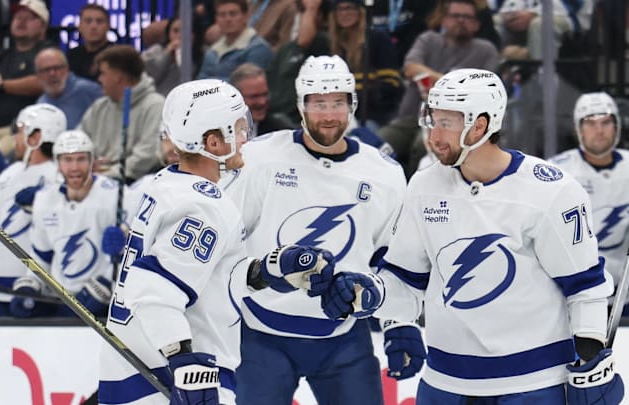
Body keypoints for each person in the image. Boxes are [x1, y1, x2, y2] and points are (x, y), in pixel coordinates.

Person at [319, 68, 625, 404]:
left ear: (480, 126)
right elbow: (406, 284)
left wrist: (591, 358)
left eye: (446, 124)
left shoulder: (550, 190)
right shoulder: (424, 185)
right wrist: (367, 294)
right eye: (431, 120)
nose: (433, 136)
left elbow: (585, 286)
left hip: (532, 384)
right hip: (444, 383)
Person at [97, 78, 333, 404]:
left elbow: (205, 275)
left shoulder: (166, 183)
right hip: (173, 377)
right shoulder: (206, 206)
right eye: (237, 129)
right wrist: (183, 361)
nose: (245, 136)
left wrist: (269, 269)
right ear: (213, 142)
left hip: (137, 370)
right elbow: (155, 291)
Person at [222, 55, 409, 405]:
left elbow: (395, 260)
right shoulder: (258, 158)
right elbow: (225, 242)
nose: (328, 115)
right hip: (261, 334)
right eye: (318, 103)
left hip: (344, 335)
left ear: (352, 104)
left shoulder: (384, 173)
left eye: (338, 103)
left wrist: (399, 323)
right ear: (300, 105)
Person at [549, 92, 629, 316]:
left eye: (606, 122)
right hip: (570, 301)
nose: (599, 130)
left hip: (623, 299)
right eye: (590, 123)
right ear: (578, 128)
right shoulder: (557, 172)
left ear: (617, 126)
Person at [378, 0, 499, 178]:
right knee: (378, 142)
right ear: (444, 20)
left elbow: (485, 90)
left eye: (466, 17)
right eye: (455, 16)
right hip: (410, 117)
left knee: (423, 146)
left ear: (476, 24)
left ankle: (414, 195)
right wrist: (450, 84)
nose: (460, 21)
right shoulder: (428, 39)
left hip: (453, 123)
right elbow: (411, 67)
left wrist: (433, 81)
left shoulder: (486, 50)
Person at [8, 129, 120, 318]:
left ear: (92, 161)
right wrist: (30, 283)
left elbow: (133, 256)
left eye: (81, 159)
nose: (74, 167)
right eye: (67, 160)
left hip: (104, 303)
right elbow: (42, 257)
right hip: (60, 298)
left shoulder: (114, 195)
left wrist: (109, 284)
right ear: (57, 163)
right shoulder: (44, 200)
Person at [0, 104, 65, 316]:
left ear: (36, 135)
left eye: (19, 130)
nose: (15, 138)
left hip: (39, 290)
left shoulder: (59, 176)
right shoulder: (8, 174)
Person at [78, 45, 165, 183]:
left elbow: (147, 155)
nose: (99, 79)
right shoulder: (99, 107)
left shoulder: (155, 106)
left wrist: (108, 175)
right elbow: (78, 141)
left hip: (134, 184)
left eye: (103, 73)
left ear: (118, 77)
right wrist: (84, 166)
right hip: (92, 181)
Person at [0, 0, 53, 156]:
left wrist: (1, 85)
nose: (21, 21)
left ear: (43, 26)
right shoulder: (4, 55)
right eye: (18, 17)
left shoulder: (48, 53)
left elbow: (43, 82)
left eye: (29, 18)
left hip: (19, 131)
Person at [329, 0, 403, 128]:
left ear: (360, 11)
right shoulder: (331, 44)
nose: (344, 13)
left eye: (349, 8)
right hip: (337, 114)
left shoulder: (377, 39)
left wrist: (359, 99)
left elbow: (391, 85)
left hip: (372, 115)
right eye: (340, 9)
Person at [197, 0, 273, 81]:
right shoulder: (212, 52)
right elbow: (201, 83)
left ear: (245, 17)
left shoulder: (258, 48)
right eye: (222, 15)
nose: (228, 19)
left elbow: (248, 84)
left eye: (233, 14)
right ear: (216, 19)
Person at [35, 47, 102, 129]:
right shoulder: (40, 105)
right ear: (38, 75)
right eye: (46, 70)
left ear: (67, 69)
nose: (52, 73)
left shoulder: (89, 90)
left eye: (57, 68)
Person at [141, 15, 204, 96]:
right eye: (175, 31)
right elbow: (147, 77)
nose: (180, 36)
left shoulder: (202, 54)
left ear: (195, 34)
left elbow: (189, 81)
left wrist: (182, 55)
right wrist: (166, 55)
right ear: (168, 33)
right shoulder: (156, 50)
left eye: (186, 31)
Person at [230, 63, 295, 137]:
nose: (262, 102)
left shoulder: (281, 132)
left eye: (265, 94)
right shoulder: (218, 132)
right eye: (254, 96)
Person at [67, 4, 115, 80]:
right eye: (88, 21)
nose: (94, 26)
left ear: (108, 26)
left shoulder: (117, 56)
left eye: (99, 21)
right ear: (79, 27)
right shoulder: (72, 55)